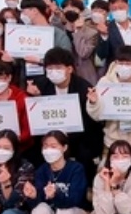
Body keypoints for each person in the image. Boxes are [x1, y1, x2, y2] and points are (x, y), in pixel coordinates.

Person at [27, 47, 105, 182]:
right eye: (49, 68)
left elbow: (90, 122)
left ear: (69, 69)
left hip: (78, 136)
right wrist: (34, 97)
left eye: (58, 68)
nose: (53, 72)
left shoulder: (83, 87)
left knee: (85, 152)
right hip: (49, 134)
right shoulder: (40, 85)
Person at [86, 45, 131, 163]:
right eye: (121, 63)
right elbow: (96, 116)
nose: (124, 67)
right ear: (115, 63)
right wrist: (93, 103)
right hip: (111, 141)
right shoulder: (104, 83)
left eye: (128, 64)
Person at [18, 0, 73, 76]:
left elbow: (66, 59)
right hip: (28, 79)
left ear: (34, 11)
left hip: (52, 78)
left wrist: (41, 61)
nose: (22, 15)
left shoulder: (58, 34)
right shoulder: (23, 34)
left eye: (23, 11)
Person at [96, 0, 131, 64]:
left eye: (121, 8)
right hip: (114, 69)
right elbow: (101, 55)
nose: (118, 11)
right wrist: (104, 36)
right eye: (114, 9)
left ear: (128, 6)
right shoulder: (106, 29)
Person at [71, 0, 103, 85]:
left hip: (85, 75)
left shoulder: (92, 33)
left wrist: (78, 31)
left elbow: (83, 53)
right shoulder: (62, 28)